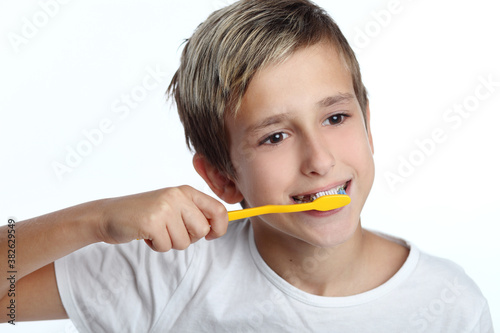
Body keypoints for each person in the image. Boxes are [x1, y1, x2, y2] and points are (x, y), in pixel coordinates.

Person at [0, 0, 493, 331]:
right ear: (222, 176)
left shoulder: (450, 305)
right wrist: (96, 220)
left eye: (336, 117)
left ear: (368, 124)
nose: (320, 160)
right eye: (275, 136)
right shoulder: (169, 273)